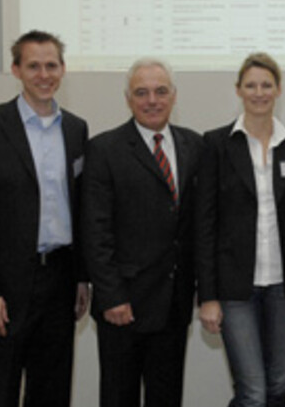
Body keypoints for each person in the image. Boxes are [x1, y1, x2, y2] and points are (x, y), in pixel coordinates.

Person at [0, 30, 90, 407]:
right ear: (16, 70)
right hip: (5, 285)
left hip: (60, 280)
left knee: (52, 391)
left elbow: (79, 210)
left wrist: (81, 277)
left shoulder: (76, 129)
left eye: (51, 65)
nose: (43, 74)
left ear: (62, 69)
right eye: (33, 66)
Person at [195, 52, 285, 407]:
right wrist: (208, 297)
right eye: (251, 85)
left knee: (278, 384)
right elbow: (205, 224)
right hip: (234, 290)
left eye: (266, 85)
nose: (259, 92)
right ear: (238, 90)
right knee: (252, 391)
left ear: (278, 89)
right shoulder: (216, 144)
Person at [81, 58, 203, 407]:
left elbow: (198, 227)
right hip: (124, 305)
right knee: (119, 397)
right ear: (128, 99)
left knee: (167, 397)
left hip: (174, 303)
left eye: (161, 91)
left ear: (174, 96)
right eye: (142, 92)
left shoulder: (194, 146)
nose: (152, 100)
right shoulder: (104, 149)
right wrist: (111, 296)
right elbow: (96, 229)